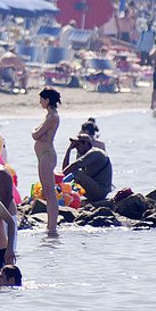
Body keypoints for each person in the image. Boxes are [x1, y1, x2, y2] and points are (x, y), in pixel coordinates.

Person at [33, 88, 61, 236]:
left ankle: (52, 227)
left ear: (47, 100)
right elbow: (38, 135)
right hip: (43, 154)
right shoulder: (49, 115)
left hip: (47, 155)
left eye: (41, 99)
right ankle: (50, 225)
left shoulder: (52, 117)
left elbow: (36, 134)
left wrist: (36, 133)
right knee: (47, 191)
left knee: (50, 193)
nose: (40, 102)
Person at [63, 137, 114, 202]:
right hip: (89, 191)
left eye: (78, 145)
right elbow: (65, 169)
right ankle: (69, 197)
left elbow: (73, 167)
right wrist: (69, 150)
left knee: (74, 172)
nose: (77, 148)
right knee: (72, 179)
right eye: (75, 146)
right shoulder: (81, 155)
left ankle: (58, 189)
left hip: (100, 192)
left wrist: (58, 179)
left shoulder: (95, 153)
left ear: (87, 144)